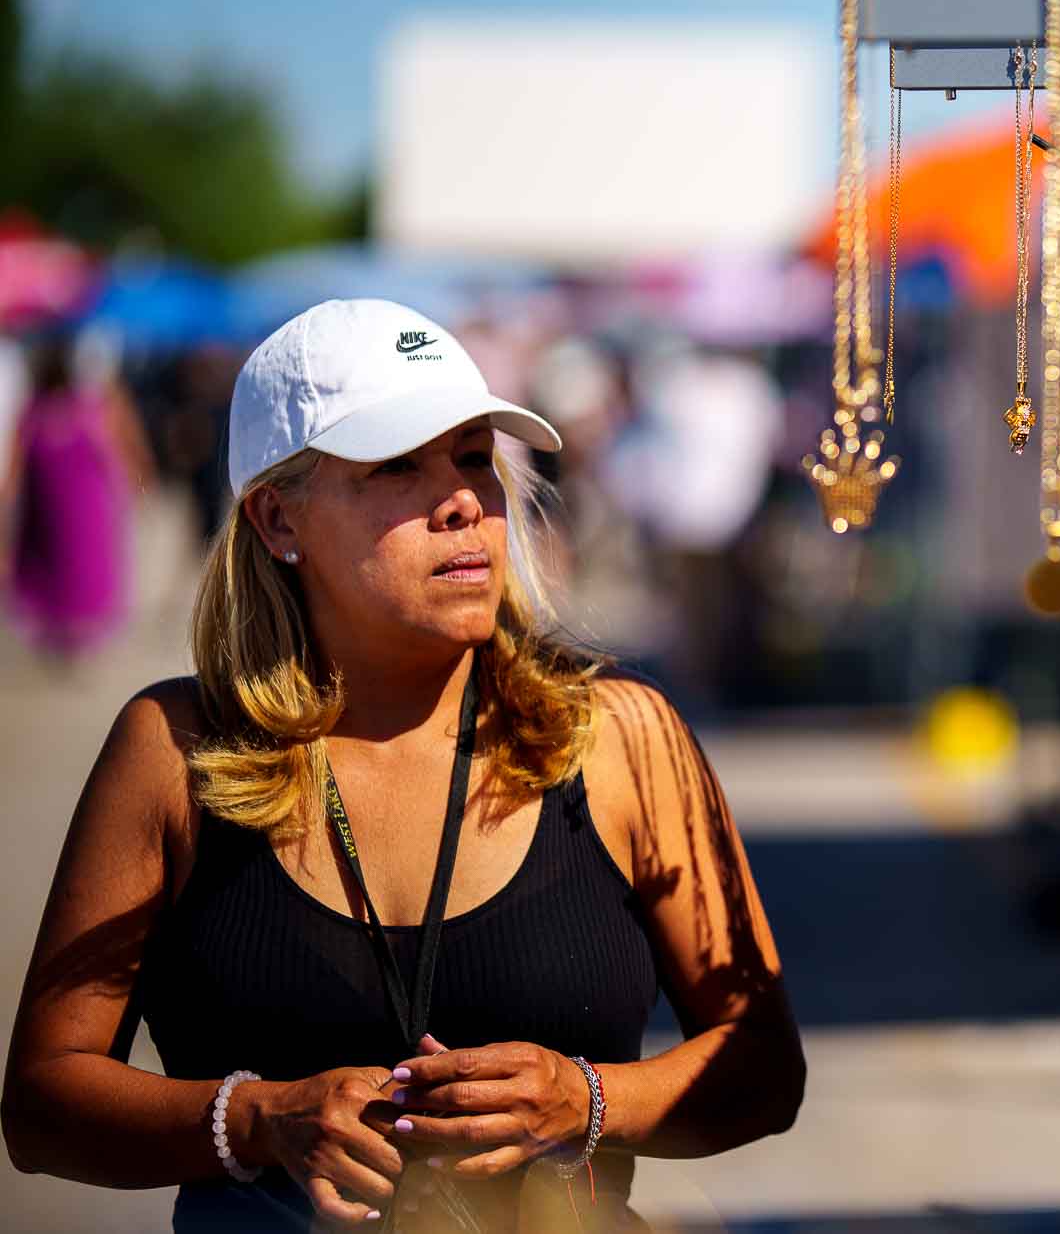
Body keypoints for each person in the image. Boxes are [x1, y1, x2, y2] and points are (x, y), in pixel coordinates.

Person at [1, 299, 804, 1230]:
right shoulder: (177, 748)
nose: (464, 500)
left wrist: (587, 1101)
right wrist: (258, 1118)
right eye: (398, 465)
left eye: (473, 458)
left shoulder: (623, 738)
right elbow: (41, 1108)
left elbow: (763, 1069)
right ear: (276, 518)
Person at [3, 328, 154, 661]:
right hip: (49, 510)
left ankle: (77, 637)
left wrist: (134, 488)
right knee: (52, 570)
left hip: (85, 511)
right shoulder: (36, 409)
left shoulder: (96, 405)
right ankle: (59, 637)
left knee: (84, 568)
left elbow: (124, 451)